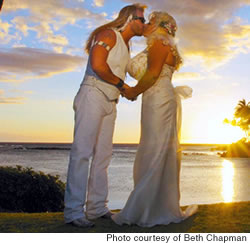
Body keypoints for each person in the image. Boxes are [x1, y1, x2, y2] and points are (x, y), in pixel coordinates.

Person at [64, 3, 149, 228]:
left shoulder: (127, 46)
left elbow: (131, 69)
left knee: (103, 156)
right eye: (142, 19)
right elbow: (98, 65)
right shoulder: (108, 34)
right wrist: (123, 85)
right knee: (82, 153)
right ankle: (73, 212)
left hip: (110, 102)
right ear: (129, 19)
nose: (144, 23)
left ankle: (96, 207)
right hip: (92, 94)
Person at [112, 11, 198, 227]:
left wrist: (133, 92)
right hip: (158, 98)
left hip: (158, 99)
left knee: (155, 150)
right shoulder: (163, 43)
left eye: (150, 21)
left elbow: (152, 74)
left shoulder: (160, 42)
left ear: (160, 26)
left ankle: (148, 209)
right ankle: (157, 204)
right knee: (156, 149)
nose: (147, 24)